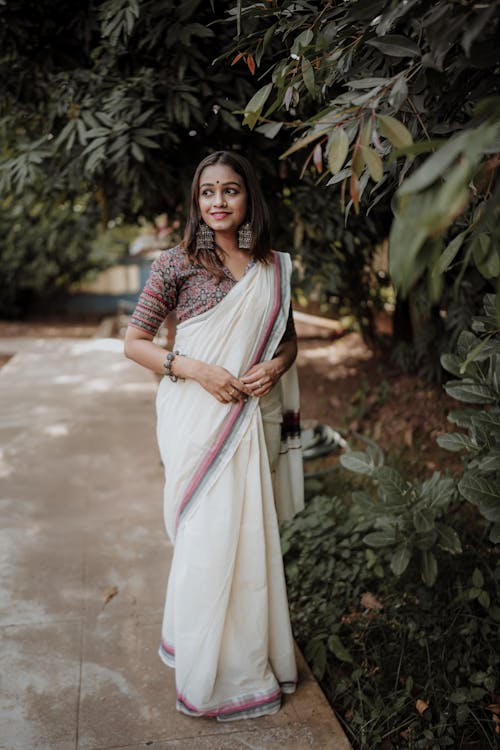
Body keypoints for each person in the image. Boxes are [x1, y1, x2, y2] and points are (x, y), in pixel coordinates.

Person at [124, 150, 304, 721]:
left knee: (248, 538)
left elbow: (288, 342)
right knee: (206, 543)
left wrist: (274, 369)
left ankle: (250, 662)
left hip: (246, 418)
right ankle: (205, 670)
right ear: (195, 201)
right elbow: (135, 342)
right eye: (208, 192)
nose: (218, 202)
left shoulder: (271, 267)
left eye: (230, 190)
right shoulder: (176, 263)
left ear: (248, 196)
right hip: (194, 418)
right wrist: (197, 370)